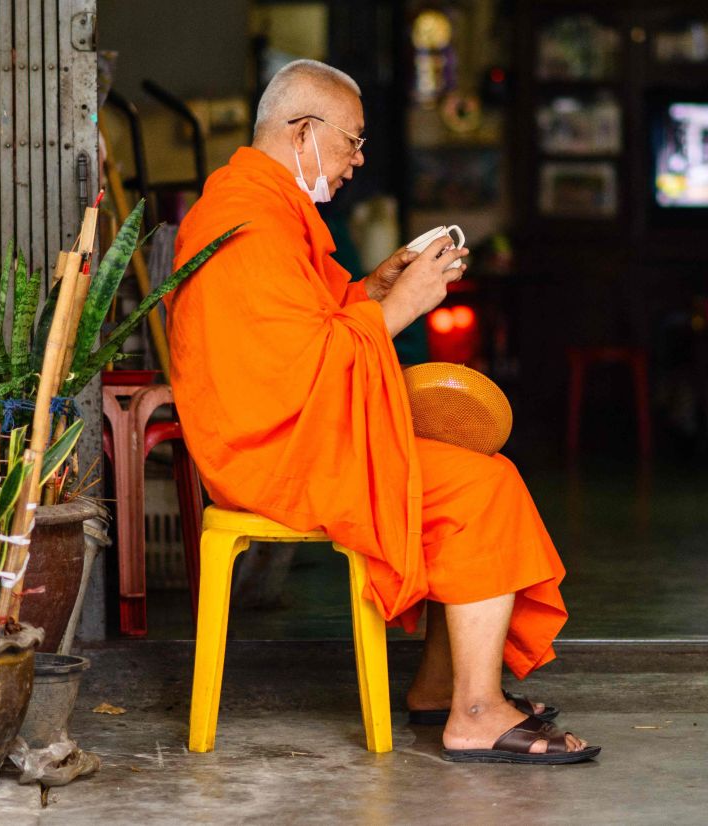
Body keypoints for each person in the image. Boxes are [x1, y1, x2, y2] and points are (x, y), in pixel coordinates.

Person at [167, 59, 597, 764]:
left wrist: (375, 287)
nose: (358, 162)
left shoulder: (263, 203)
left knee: (472, 470)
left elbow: (308, 324)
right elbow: (296, 365)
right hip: (269, 454)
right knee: (482, 488)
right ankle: (476, 713)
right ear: (303, 133)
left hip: (291, 436)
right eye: (353, 142)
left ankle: (442, 687)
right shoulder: (245, 220)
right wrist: (404, 307)